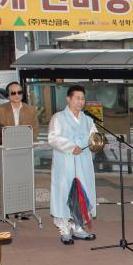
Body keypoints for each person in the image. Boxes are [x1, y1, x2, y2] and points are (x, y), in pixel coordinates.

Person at [48, 85, 98, 245]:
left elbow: (94, 138)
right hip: (65, 163)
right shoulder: (58, 118)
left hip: (83, 163)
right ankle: (64, 230)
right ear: (68, 99)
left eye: (83, 98)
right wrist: (70, 147)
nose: (80, 102)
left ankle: (78, 227)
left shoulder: (88, 119)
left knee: (83, 193)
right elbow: (53, 138)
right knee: (64, 193)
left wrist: (96, 143)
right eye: (77, 98)